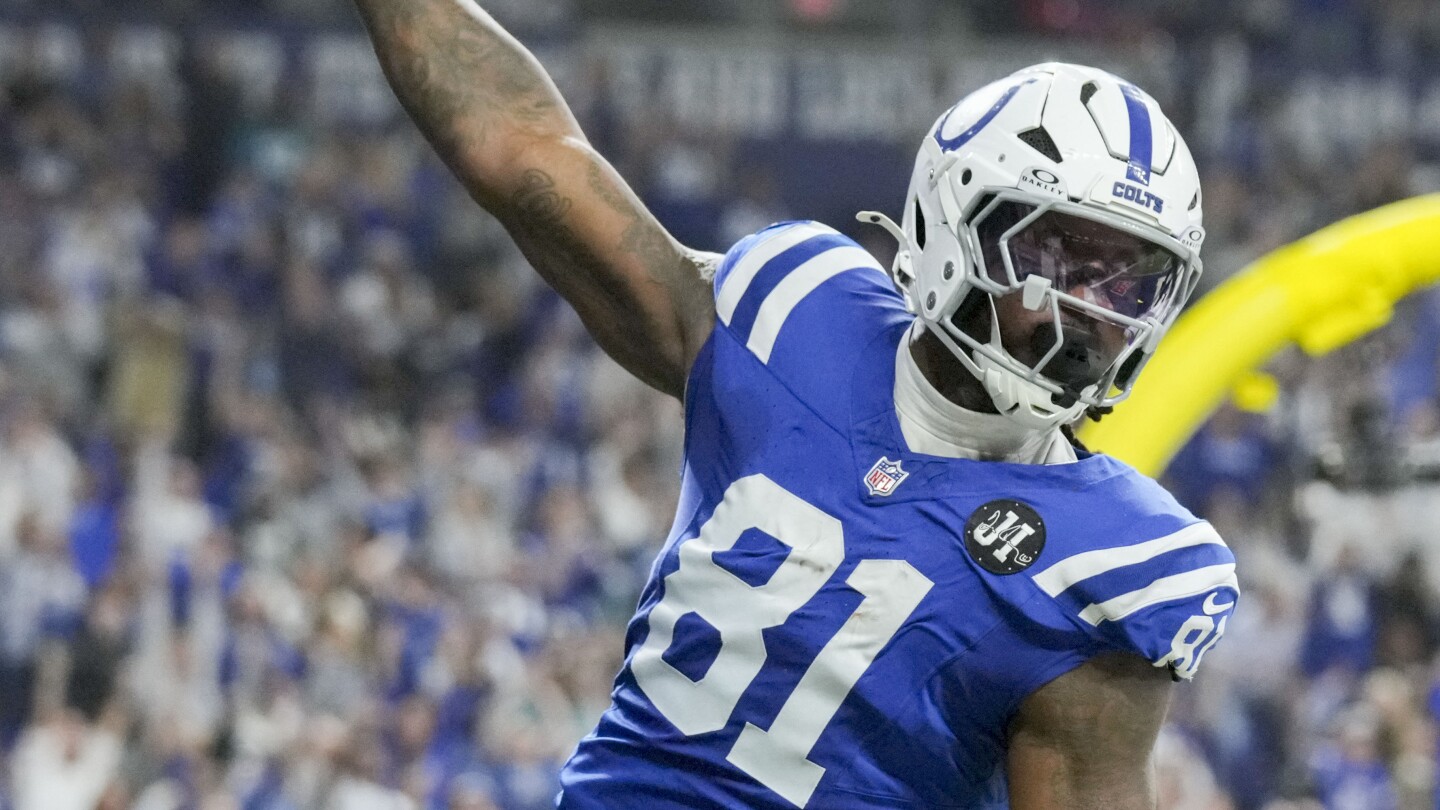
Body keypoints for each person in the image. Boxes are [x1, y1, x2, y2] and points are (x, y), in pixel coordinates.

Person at [351, 2, 1239, 808]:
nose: (1091, 310)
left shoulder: (1110, 561)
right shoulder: (795, 315)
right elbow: (529, 154)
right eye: (1056, 256)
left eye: (1127, 282)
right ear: (955, 220)